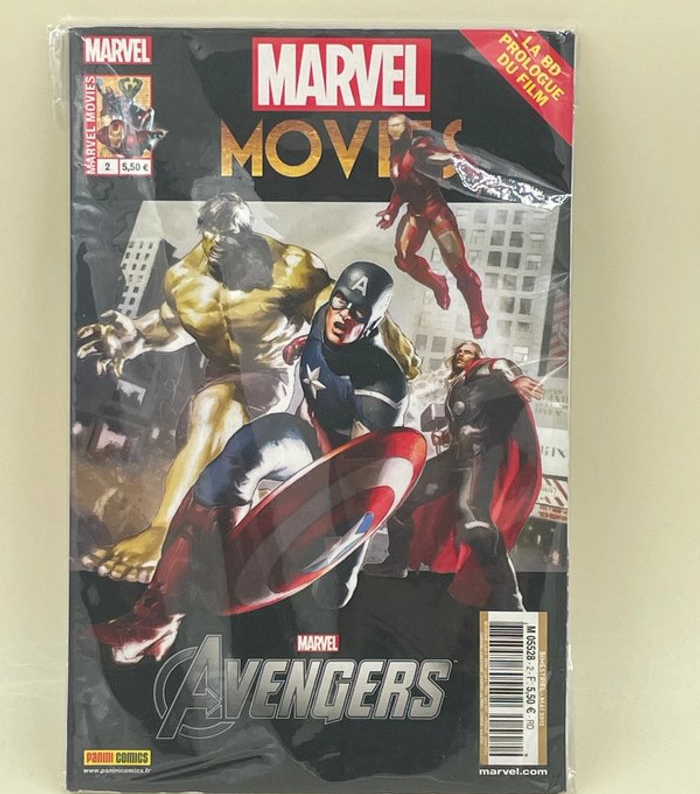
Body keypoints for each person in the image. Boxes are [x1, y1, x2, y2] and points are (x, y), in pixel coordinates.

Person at [78, 193, 419, 584]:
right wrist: (133, 337)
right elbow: (171, 325)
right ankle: (227, 523)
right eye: (214, 237)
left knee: (222, 405)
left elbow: (341, 309)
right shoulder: (184, 279)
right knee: (216, 410)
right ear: (204, 233)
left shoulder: (291, 268)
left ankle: (162, 535)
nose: (223, 246)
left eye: (234, 238)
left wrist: (390, 348)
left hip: (268, 381)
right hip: (212, 382)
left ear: (248, 232)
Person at [93, 263, 413, 663]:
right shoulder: (324, 318)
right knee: (243, 453)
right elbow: (321, 344)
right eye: (340, 303)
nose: (343, 316)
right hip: (306, 440)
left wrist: (340, 554)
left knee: (332, 595)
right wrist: (301, 347)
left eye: (358, 313)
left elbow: (367, 475)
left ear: (373, 323)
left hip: (339, 478)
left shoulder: (381, 385)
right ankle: (155, 617)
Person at [364, 340, 543, 611]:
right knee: (403, 499)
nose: (462, 354)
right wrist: (447, 435)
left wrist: (516, 380)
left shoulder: (485, 371)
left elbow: (500, 366)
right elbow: (469, 419)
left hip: (480, 458)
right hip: (456, 457)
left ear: (479, 356)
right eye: (459, 351)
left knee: (473, 521)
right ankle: (396, 563)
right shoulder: (460, 385)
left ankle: (511, 601)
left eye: (469, 351)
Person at [376, 114, 489, 336]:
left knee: (459, 267)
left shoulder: (420, 147)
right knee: (404, 259)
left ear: (408, 131)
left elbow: (439, 156)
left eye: (399, 127)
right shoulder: (395, 155)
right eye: (391, 128)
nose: (394, 132)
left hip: (437, 214)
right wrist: (391, 211)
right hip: (416, 214)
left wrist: (459, 160)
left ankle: (478, 313)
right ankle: (438, 284)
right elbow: (402, 188)